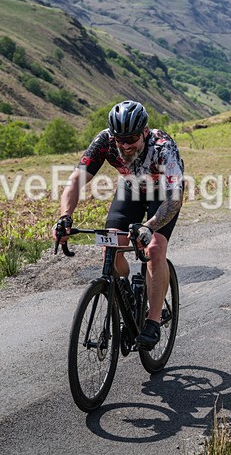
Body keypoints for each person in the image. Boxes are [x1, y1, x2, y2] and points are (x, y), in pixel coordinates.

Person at [54, 100, 184, 350]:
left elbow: (174, 197)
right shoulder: (104, 141)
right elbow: (75, 181)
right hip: (131, 188)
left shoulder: (162, 146)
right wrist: (64, 217)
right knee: (110, 245)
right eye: (120, 139)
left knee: (154, 248)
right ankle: (125, 293)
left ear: (144, 132)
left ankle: (153, 321)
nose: (125, 145)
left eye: (132, 138)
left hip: (164, 195)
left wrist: (150, 226)